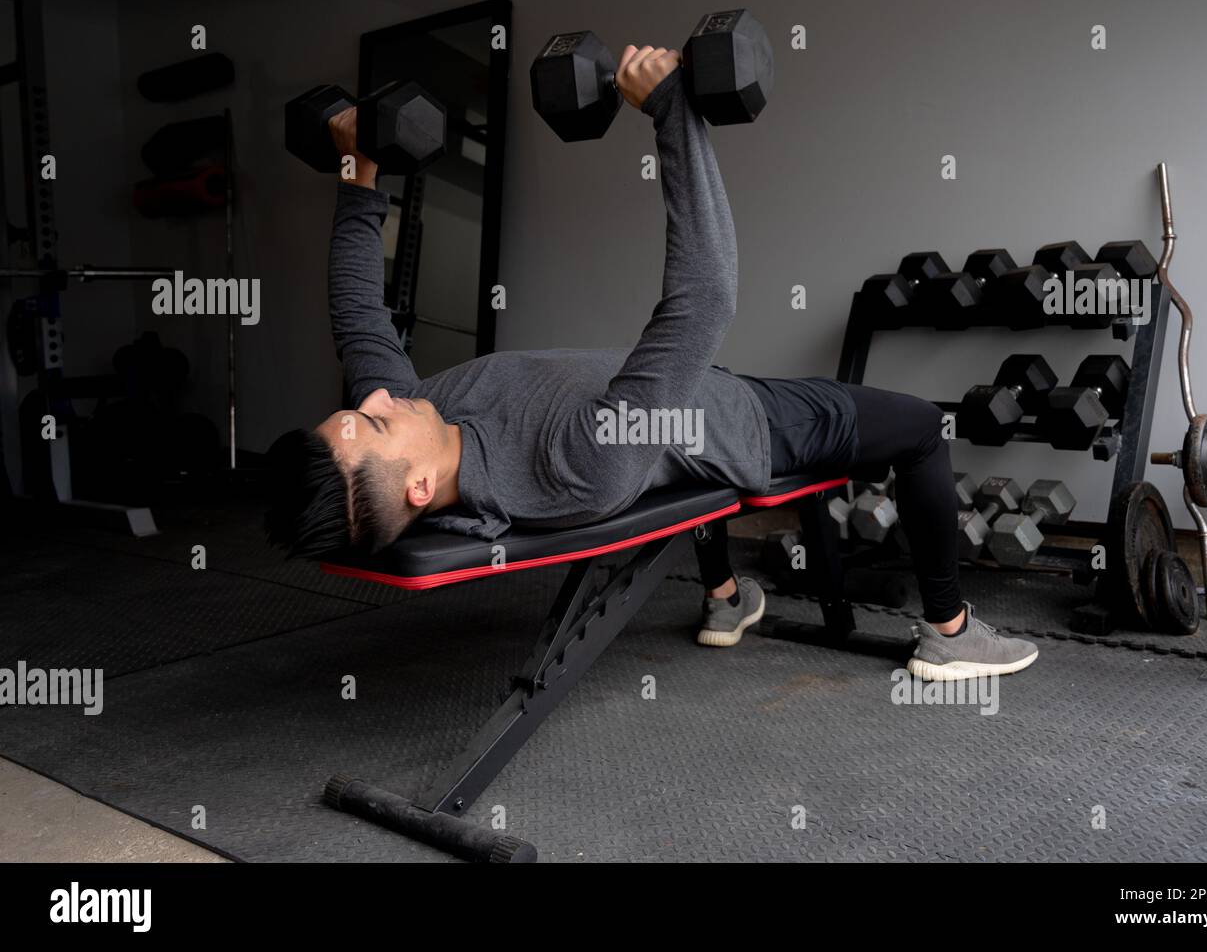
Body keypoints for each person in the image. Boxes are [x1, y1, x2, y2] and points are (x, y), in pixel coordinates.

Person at [265, 45, 1037, 682]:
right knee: (919, 429)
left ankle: (728, 595)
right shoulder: (575, 461)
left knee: (663, 423)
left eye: (360, 407)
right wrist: (673, 109)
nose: (380, 399)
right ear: (421, 486)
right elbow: (704, 300)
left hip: (686, 411)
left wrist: (357, 168)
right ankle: (949, 630)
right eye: (371, 420)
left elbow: (359, 311)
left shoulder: (415, 422)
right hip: (755, 426)